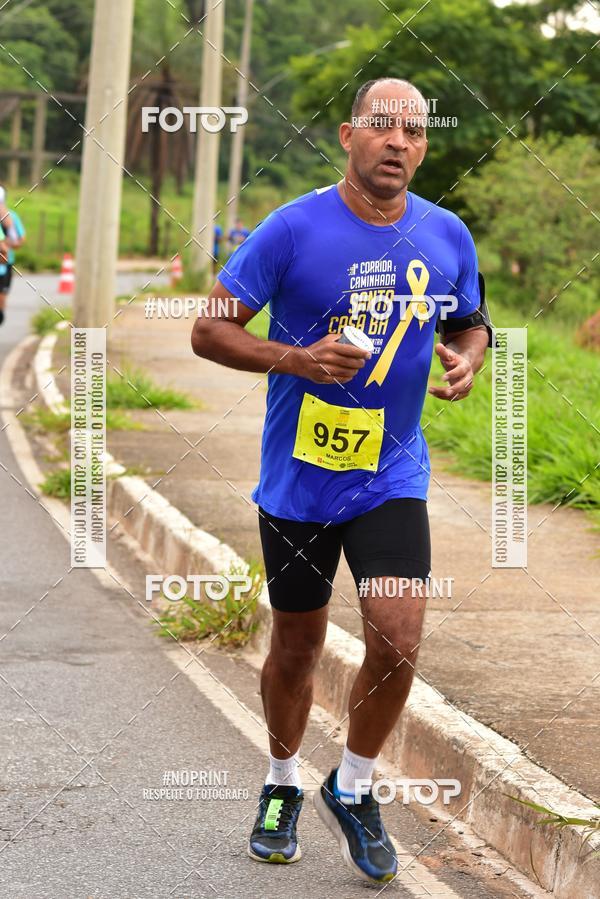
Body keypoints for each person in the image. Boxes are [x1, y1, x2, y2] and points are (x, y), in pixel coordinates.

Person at [191, 77, 493, 884]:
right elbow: (208, 328)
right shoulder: (292, 228)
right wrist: (298, 357)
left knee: (398, 636)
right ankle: (283, 779)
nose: (399, 142)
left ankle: (353, 784)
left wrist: (468, 357)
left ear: (425, 146)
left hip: (390, 472)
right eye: (383, 126)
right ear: (348, 135)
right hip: (298, 479)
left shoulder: (446, 233)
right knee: (298, 642)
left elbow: (470, 319)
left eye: (415, 132)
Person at [0, 191, 25, 326]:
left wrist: (7, 242)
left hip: (4, 266)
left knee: (1, 299)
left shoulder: (11, 218)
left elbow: (18, 241)